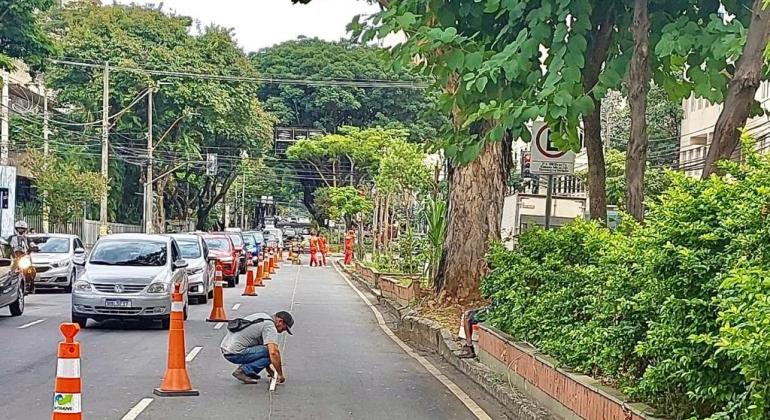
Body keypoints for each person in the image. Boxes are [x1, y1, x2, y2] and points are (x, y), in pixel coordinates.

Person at [220, 311, 294, 384]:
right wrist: (280, 375)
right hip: (235, 353)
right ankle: (243, 371)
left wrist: (269, 369)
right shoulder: (270, 326)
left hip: (225, 349)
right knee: (272, 352)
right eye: (284, 328)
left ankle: (248, 371)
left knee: (266, 349)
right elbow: (273, 353)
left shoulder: (263, 317)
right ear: (280, 321)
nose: (282, 331)